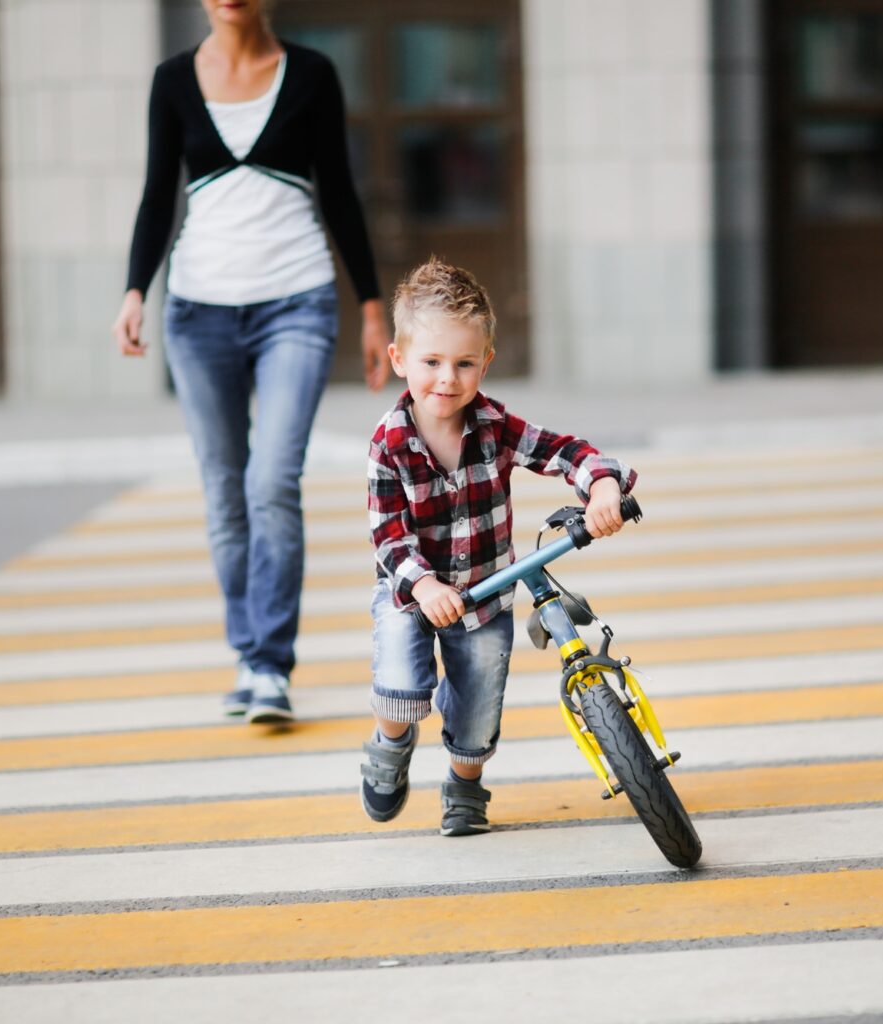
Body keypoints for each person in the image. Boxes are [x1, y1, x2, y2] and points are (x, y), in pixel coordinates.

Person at [112, 0, 390, 724]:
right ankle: (248, 653)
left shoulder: (313, 74)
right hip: (197, 315)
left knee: (272, 482)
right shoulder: (173, 79)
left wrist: (370, 306)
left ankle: (269, 664)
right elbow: (155, 196)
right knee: (224, 493)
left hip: (297, 305)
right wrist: (135, 288)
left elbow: (340, 192)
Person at [360, 258, 637, 836]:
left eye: (464, 364)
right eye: (431, 362)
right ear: (398, 360)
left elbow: (563, 451)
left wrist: (603, 483)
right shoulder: (388, 444)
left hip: (484, 598)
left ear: (485, 362)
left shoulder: (494, 426)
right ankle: (392, 741)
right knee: (399, 684)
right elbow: (387, 534)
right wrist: (425, 583)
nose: (447, 379)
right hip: (413, 592)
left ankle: (464, 784)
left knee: (480, 703)